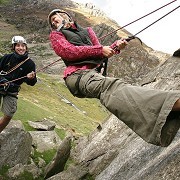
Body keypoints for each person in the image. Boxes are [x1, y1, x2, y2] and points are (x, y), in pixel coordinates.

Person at [48, 9, 180, 147]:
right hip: (76, 76)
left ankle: (167, 115)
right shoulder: (56, 35)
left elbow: (100, 54)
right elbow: (68, 52)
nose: (54, 20)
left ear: (67, 16)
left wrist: (115, 47)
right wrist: (100, 50)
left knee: (115, 88)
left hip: (92, 74)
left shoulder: (88, 31)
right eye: (52, 21)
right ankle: (172, 104)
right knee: (111, 86)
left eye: (57, 16)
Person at [0, 36, 37, 133]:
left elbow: (32, 83)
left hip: (12, 91)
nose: (21, 48)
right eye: (18, 45)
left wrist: (31, 78)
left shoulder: (30, 64)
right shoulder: (6, 58)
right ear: (13, 47)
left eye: (23, 46)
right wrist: (3, 80)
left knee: (8, 115)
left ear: (26, 47)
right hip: (0, 86)